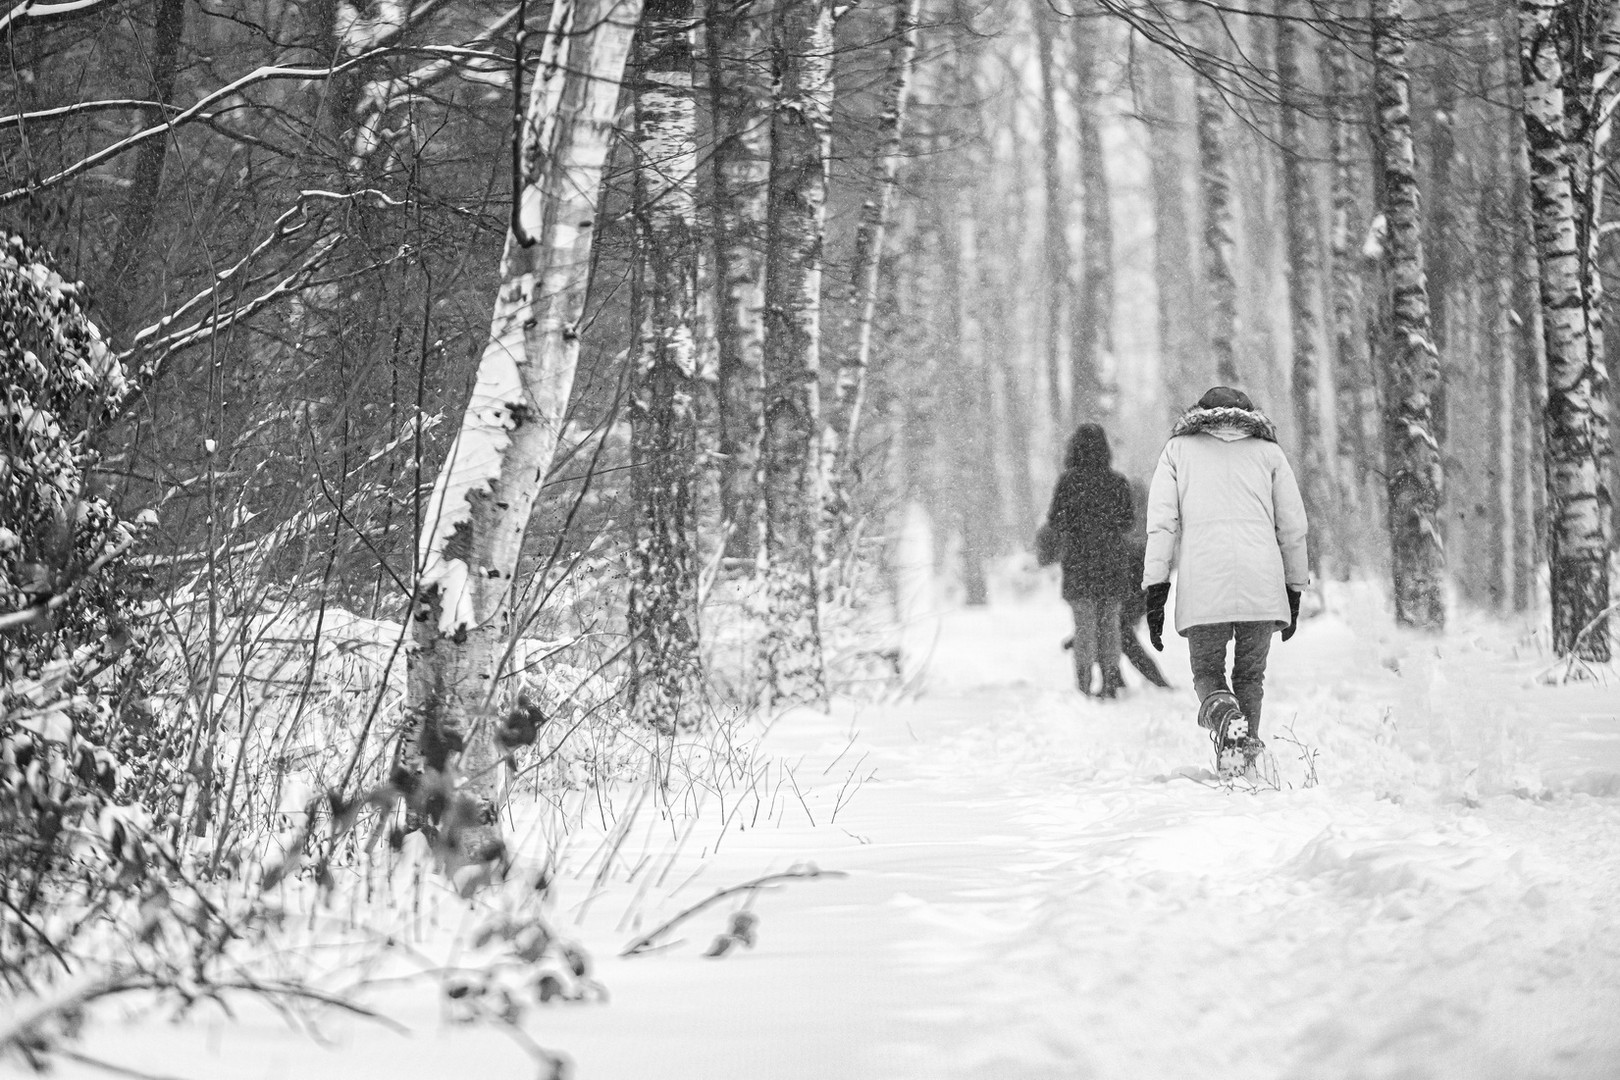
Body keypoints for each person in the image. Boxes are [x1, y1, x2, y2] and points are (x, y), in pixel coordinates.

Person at [1141, 386, 1309, 742]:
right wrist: (1294, 588)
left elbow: (1161, 527)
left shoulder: (1177, 451)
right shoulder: (1269, 453)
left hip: (1204, 579)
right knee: (1250, 676)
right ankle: (1243, 754)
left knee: (1207, 671)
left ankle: (1222, 714)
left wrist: (1156, 590)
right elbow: (1292, 527)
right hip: (1260, 578)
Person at [1043, 423, 1135, 698]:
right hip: (1112, 563)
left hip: (1079, 564)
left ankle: (1083, 684)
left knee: (1084, 627)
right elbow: (1128, 521)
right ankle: (1109, 682)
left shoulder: (1068, 482)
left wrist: (1079, 525)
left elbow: (1055, 520)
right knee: (1109, 627)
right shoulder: (1118, 482)